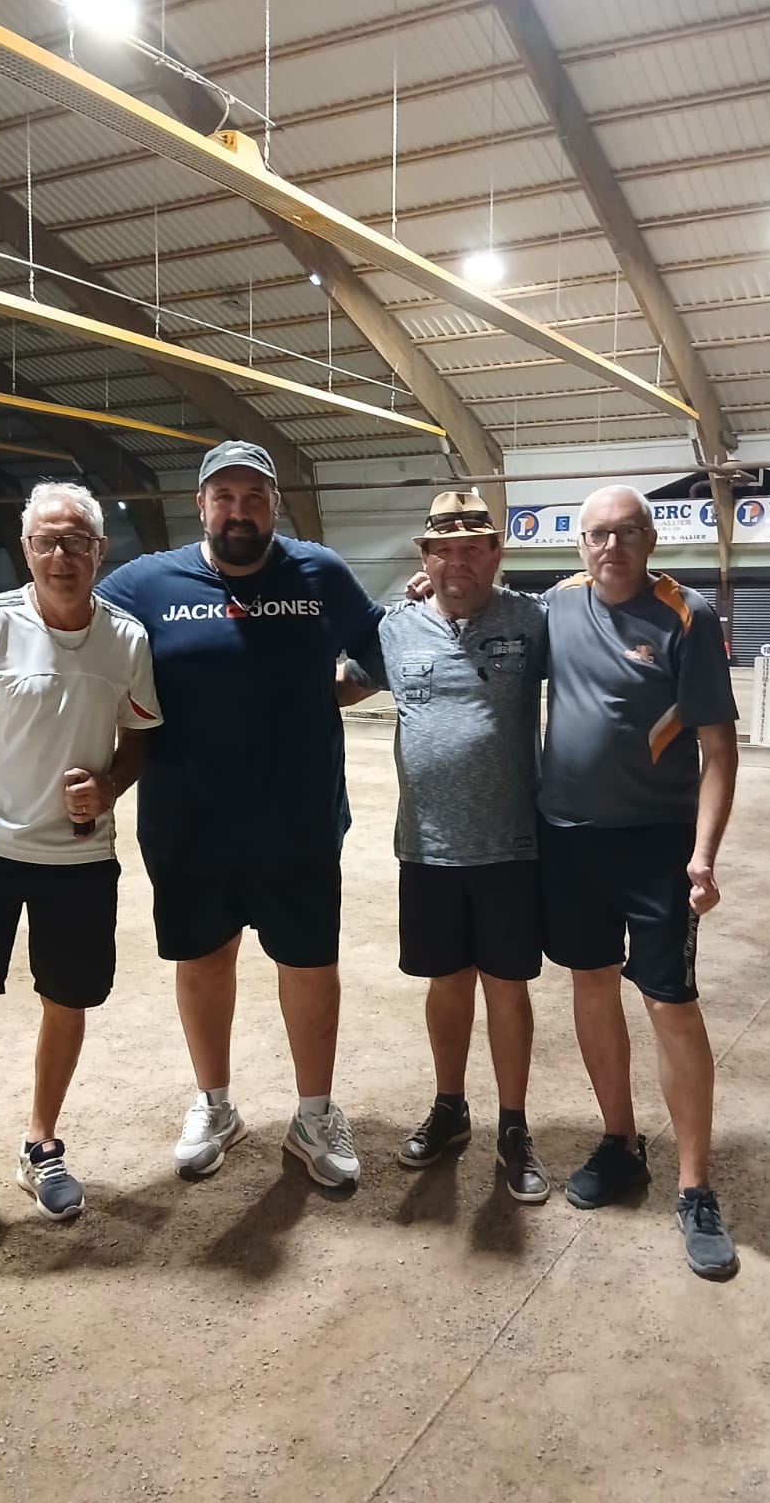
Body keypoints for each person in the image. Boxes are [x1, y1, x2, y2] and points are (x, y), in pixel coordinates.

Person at [0, 441, 383, 1191]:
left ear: (274, 505)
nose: (239, 511)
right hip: (187, 820)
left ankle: (314, 1111)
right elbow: (55, 593)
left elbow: (380, 649)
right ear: (202, 505)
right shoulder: (147, 581)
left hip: (297, 816)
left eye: (254, 497)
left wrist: (330, 694)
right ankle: (215, 1104)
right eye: (224, 497)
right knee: (203, 962)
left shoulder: (319, 573)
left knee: (309, 965)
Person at [0, 481, 161, 1257]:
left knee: (66, 1000)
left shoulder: (128, 641)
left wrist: (108, 785)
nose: (61, 554)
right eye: (46, 540)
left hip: (77, 859)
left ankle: (41, 1144)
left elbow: (139, 737)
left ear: (100, 550)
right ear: (25, 550)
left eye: (76, 540)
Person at [539, 485, 740, 1280]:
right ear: (579, 545)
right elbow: (486, 607)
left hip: (656, 846)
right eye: (595, 536)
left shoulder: (687, 615)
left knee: (669, 1004)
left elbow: (719, 751)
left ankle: (694, 1187)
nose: (610, 548)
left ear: (650, 538)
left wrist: (704, 854)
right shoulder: (555, 604)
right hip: (567, 839)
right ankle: (619, 1143)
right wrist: (422, 584)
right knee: (590, 983)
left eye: (625, 533)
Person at [336, 493, 552, 1203]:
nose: (458, 560)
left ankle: (514, 1124)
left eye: (474, 547)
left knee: (507, 987)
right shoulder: (395, 630)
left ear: (496, 553)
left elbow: (599, 640)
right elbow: (338, 687)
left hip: (512, 843)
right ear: (423, 559)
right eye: (442, 549)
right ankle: (450, 1106)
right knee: (446, 984)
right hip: (426, 846)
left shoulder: (531, 619)